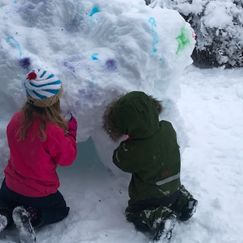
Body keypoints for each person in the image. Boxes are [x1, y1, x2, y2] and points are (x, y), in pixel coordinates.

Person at [103, 91, 197, 242]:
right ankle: (184, 202)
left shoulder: (134, 150)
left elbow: (118, 159)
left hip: (149, 197)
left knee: (133, 213)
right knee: (171, 191)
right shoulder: (168, 127)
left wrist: (127, 143)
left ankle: (161, 218)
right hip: (173, 187)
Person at [0, 69, 77, 243]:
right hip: (39, 193)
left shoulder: (15, 120)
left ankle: (3, 214)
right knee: (60, 209)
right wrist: (71, 131)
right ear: (54, 103)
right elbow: (68, 158)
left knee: (4, 199)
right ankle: (30, 216)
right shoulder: (52, 131)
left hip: (10, 185)